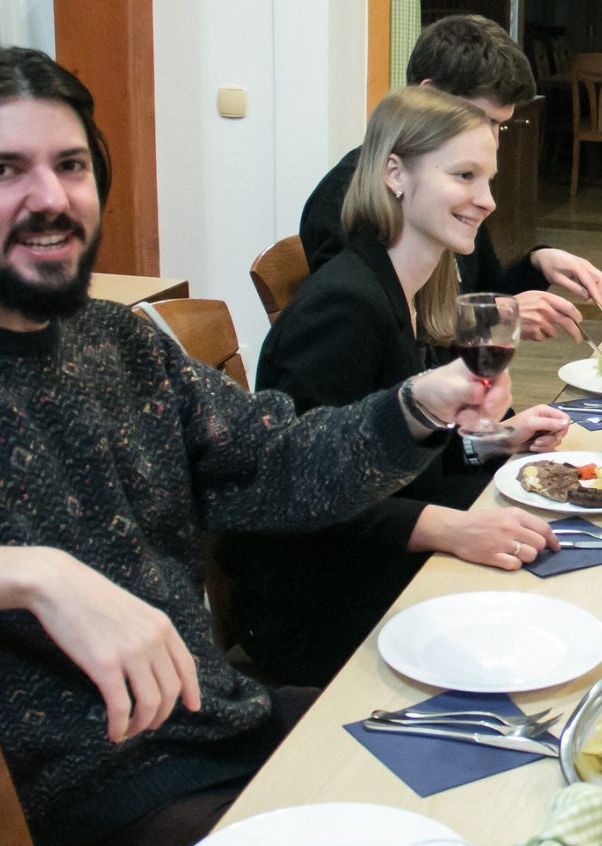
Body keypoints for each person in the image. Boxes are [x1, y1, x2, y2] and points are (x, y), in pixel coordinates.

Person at [0, 46, 499, 846]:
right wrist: (27, 574)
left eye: (70, 165)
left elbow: (272, 461)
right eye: (2, 170)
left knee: (488, 775)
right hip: (96, 809)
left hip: (222, 718)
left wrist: (415, 406)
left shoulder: (117, 343)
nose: (50, 196)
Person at [221, 86, 574, 686]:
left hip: (370, 565)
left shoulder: (419, 289)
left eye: (488, 180)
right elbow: (305, 496)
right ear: (394, 174)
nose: (487, 200)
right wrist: (453, 529)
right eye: (464, 176)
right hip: (314, 606)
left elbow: (398, 460)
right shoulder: (344, 307)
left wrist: (497, 442)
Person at [299, 14, 602, 340]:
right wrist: (494, 313)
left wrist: (537, 263)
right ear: (429, 96)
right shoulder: (343, 198)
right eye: (482, 119)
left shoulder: (455, 185)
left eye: (500, 125)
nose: (493, 141)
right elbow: (371, 330)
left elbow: (483, 287)